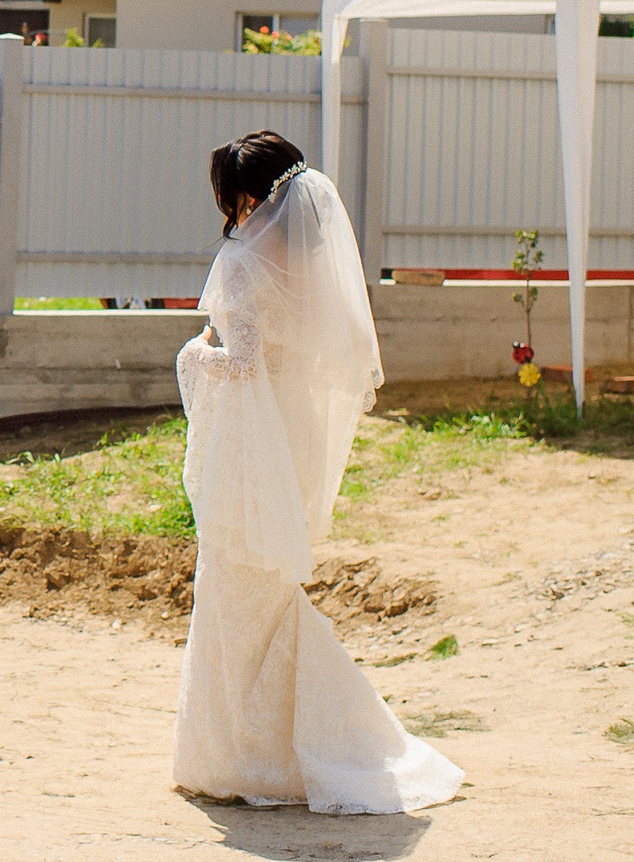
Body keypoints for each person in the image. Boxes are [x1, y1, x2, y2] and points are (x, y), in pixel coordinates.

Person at [173, 131, 464, 813]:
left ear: (248, 195)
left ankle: (244, 757)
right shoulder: (310, 265)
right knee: (268, 587)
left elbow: (241, 362)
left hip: (251, 444)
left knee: (233, 584)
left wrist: (193, 357)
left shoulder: (244, 261)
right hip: (292, 434)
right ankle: (281, 747)